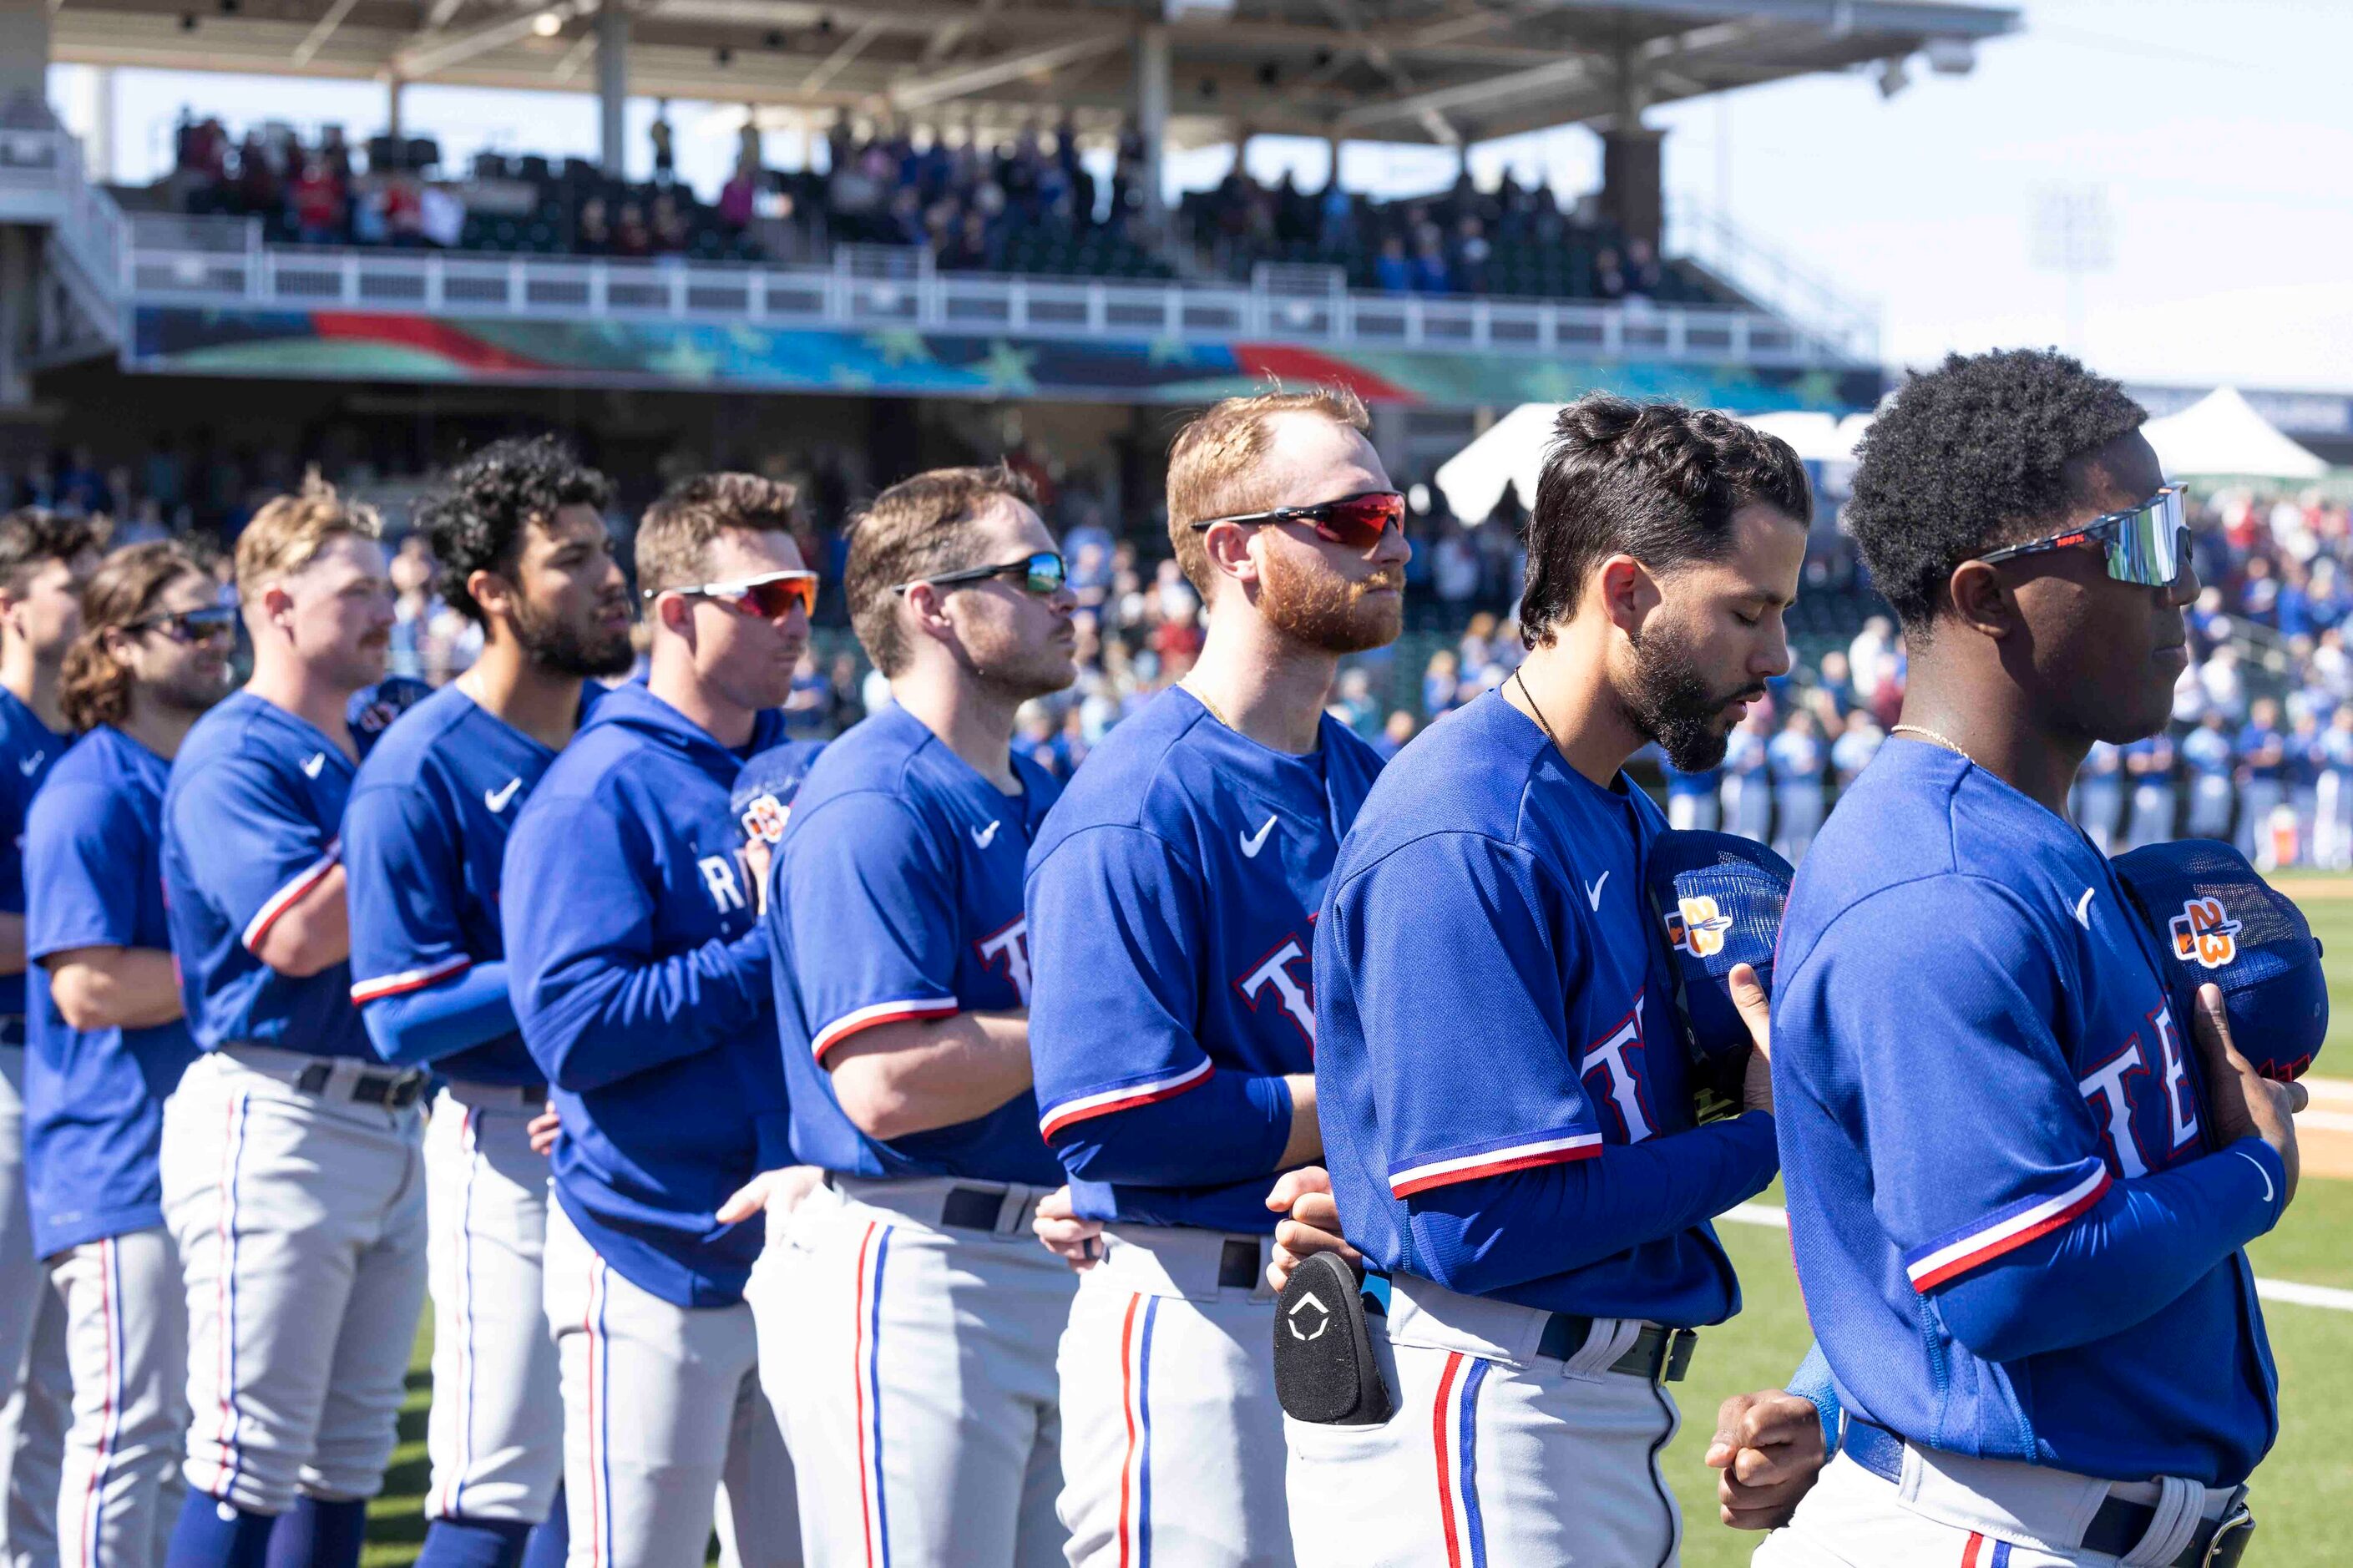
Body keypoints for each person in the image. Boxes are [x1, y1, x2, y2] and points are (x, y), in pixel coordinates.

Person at [1762, 350, 2301, 1566]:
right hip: (1986, 1536)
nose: (2181, 588)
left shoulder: (2026, 845)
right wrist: (2251, 1172)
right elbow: (2012, 1280)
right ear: (1986, 594)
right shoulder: (1934, 885)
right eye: (2138, 541)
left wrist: (1836, 1381)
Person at [1290, 396, 1812, 1565]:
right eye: (1746, 611)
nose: (1774, 656)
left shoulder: (1609, 804)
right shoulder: (1467, 828)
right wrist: (1762, 1132)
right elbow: (1482, 1220)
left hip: (1569, 1401)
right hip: (1484, 1408)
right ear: (1623, 591)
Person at [1023, 387, 1404, 1567]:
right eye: (1350, 513)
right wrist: (1361, 1113)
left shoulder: (1378, 779)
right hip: (1195, 1316)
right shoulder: (1134, 800)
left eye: (1395, 506)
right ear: (1233, 550)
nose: (1391, 536)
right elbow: (1112, 1117)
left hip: (1369, 1299)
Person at [753, 466, 1079, 1567]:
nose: (1066, 592)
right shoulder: (870, 798)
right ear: (929, 604)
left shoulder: (1036, 787)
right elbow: (887, 1079)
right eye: (1032, 572)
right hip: (917, 1260)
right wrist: (1111, 1037)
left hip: (1042, 1250)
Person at [503, 474, 807, 1568]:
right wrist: (773, 944)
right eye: (765, 595)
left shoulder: (802, 767)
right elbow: (576, 1030)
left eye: (803, 589)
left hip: (798, 1244)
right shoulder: (599, 788)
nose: (797, 616)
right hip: (647, 1243)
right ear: (677, 612)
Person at [340, 438, 634, 1568]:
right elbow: (400, 1015)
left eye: (606, 548)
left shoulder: (634, 731)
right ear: (493, 592)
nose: (610, 577)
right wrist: (580, 971)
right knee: (496, 1478)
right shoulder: (418, 766)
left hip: (636, 1127)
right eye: (571, 559)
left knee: (610, 1470)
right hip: (505, 1137)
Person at [157, 478, 423, 1568]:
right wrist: (419, 795)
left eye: (388, 587)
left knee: (349, 1462)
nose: (387, 610)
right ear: (274, 604)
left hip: (394, 1115)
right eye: (357, 588)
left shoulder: (379, 737)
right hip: (275, 1114)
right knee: (244, 1461)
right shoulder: (236, 750)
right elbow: (300, 934)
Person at [22, 543, 226, 1568]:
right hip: (119, 1156)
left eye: (223, 619)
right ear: (118, 644)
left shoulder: (204, 773)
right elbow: (88, 987)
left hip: (205, 1151)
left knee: (195, 1440)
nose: (216, 640)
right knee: (127, 1434)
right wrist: (255, 973)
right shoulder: (90, 788)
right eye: (191, 624)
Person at [0, 508, 99, 1567]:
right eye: (73, 588)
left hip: (71, 1069)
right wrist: (86, 936)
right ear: (11, 608)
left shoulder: (73, 740)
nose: (93, 608)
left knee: (59, 1379)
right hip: (9, 1069)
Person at [1768, 707, 1826, 862]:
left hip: (1811, 788)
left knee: (1808, 828)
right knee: (1789, 829)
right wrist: (1795, 769)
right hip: (1790, 788)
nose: (1806, 723)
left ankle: (1803, 867)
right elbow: (1776, 764)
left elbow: (1821, 765)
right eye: (1801, 719)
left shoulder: (1813, 741)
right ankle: (1780, 864)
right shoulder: (1783, 740)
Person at [2234, 696, 2286, 867]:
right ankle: (2249, 854)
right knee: (2255, 820)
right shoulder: (2251, 731)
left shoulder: (2273, 732)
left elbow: (2277, 758)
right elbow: (2249, 756)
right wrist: (2267, 757)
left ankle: (2264, 855)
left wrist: (2268, 757)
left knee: (2266, 820)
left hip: (2270, 781)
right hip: (2255, 782)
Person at [2120, 726, 2178, 852]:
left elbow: (2170, 762)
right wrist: (2156, 762)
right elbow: (2134, 765)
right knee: (2141, 832)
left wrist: (2156, 762)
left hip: (2164, 789)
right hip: (2146, 790)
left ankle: (2161, 866)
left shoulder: (2166, 739)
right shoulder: (2140, 740)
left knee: (2162, 832)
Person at [1721, 703, 1773, 842]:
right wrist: (1746, 763)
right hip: (1738, 783)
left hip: (1757, 784)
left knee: (1757, 824)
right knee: (1736, 823)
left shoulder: (1760, 739)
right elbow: (1728, 762)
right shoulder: (1735, 737)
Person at [2181, 711, 2235, 842]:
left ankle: (2215, 851)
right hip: (2204, 779)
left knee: (2219, 820)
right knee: (2202, 818)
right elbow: (2190, 759)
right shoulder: (2197, 737)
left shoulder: (2224, 737)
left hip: (2222, 779)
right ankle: (2196, 850)